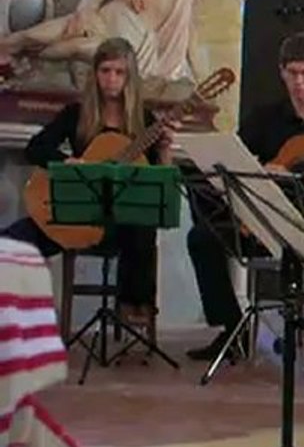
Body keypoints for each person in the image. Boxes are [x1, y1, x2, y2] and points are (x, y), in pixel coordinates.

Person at [184, 33, 304, 361]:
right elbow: (235, 162)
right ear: (282, 73)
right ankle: (233, 329)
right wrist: (263, 170)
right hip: (267, 225)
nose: (299, 82)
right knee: (202, 237)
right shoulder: (265, 118)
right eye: (293, 73)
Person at [0, 37, 174, 326]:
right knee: (11, 242)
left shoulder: (144, 121)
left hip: (120, 224)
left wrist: (165, 149)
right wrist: (66, 161)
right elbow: (36, 148)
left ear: (130, 77)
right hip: (76, 216)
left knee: (142, 224)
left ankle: (132, 304)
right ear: (95, 74)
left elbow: (159, 181)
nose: (111, 79)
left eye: (119, 72)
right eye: (105, 70)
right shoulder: (76, 114)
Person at [0, 0, 201, 85]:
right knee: (32, 35)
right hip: (101, 19)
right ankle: (6, 49)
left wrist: (201, 78)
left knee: (73, 47)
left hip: (127, 41)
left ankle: (18, 60)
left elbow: (188, 38)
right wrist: (83, 13)